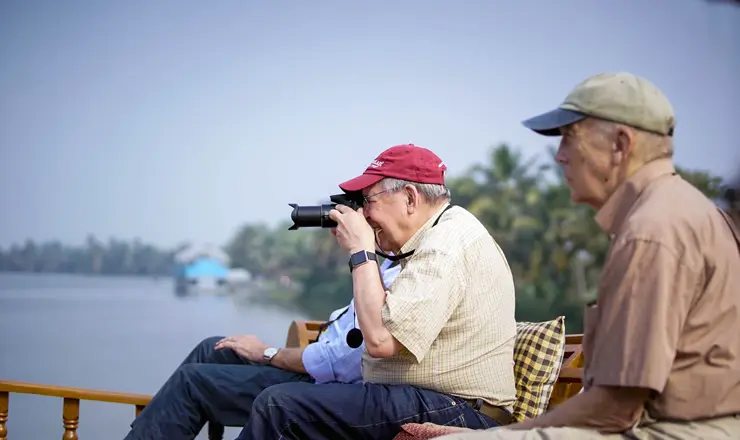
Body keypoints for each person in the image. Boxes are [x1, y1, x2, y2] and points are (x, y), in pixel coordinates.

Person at [437, 72, 740, 439]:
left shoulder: (653, 230)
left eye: (570, 138)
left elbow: (614, 410)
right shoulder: (679, 210)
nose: (560, 156)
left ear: (621, 144)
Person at [234, 144, 518, 439]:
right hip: (436, 401)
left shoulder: (446, 244)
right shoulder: (434, 240)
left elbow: (381, 340)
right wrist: (369, 249)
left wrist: (361, 249)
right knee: (291, 400)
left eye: (367, 200)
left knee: (279, 405)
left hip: (459, 410)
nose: (364, 214)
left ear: (409, 197)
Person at [121, 257, 401, 440]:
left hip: (327, 383)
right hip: (317, 366)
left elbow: (341, 362)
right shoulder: (383, 264)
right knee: (213, 348)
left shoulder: (401, 273)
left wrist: (268, 354)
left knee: (191, 383)